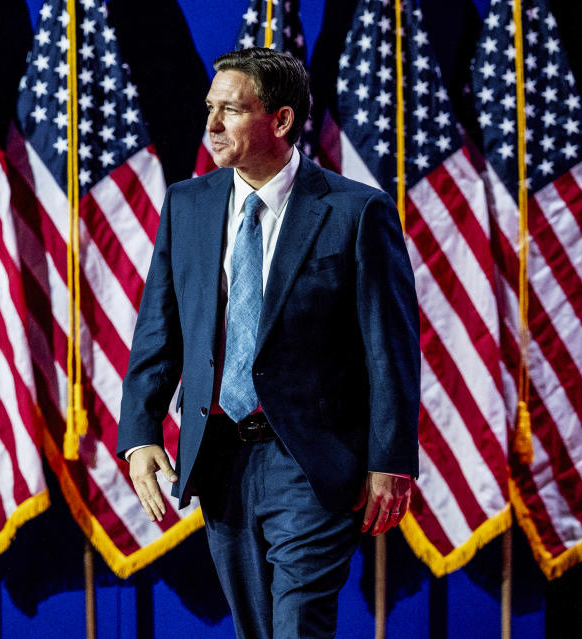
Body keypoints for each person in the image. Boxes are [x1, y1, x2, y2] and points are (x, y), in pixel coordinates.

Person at [118, 47, 420, 639]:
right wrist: (140, 433)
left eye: (229, 110)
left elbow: (390, 347)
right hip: (220, 453)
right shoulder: (188, 203)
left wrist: (390, 459)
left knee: (298, 623)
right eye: (210, 108)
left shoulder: (357, 212)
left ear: (279, 120)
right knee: (255, 628)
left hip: (312, 459)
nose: (210, 125)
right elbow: (160, 327)